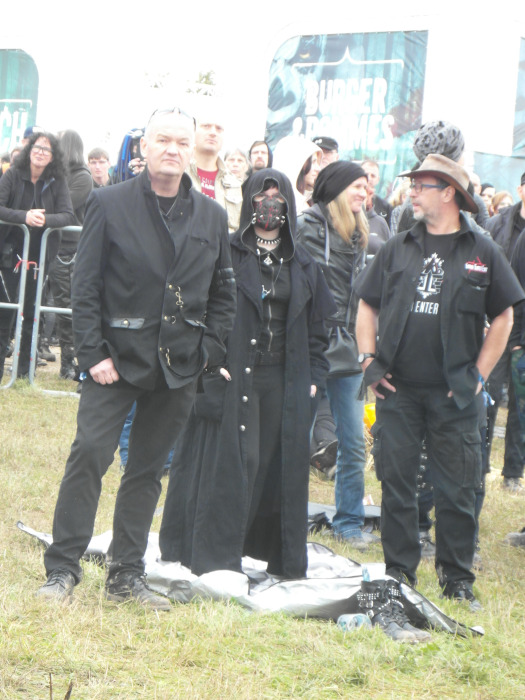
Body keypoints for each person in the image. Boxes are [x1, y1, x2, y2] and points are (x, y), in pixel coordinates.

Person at [35, 109, 236, 608]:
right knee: (89, 456)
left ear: (193, 150)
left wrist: (207, 353)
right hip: (114, 362)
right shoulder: (109, 202)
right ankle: (62, 569)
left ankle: (126, 575)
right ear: (144, 147)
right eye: (162, 139)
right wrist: (92, 354)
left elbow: (223, 294)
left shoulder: (212, 216)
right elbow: (84, 285)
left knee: (147, 470)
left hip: (178, 366)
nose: (172, 149)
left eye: (181, 142)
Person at [355, 154, 524, 610]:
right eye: (412, 185)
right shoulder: (397, 246)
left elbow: (505, 315)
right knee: (397, 483)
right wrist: (368, 359)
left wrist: (479, 375)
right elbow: (367, 303)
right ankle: (399, 572)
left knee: (458, 488)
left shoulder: (482, 249)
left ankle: (456, 579)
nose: (411, 192)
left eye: (421, 185)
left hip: (456, 393)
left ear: (448, 192)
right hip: (399, 388)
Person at [159, 168, 334, 578]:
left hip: (284, 378)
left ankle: (257, 550)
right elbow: (198, 308)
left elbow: (317, 329)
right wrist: (207, 361)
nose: (269, 204)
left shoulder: (303, 263)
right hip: (233, 373)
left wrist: (314, 377)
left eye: (278, 197)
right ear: (249, 200)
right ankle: (216, 555)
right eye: (261, 196)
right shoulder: (228, 252)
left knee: (273, 466)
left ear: (290, 205)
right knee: (240, 460)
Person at [297, 161, 378, 550]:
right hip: (309, 347)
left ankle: (348, 522)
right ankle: (287, 515)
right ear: (335, 191)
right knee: (296, 436)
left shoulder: (363, 235)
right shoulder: (304, 228)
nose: (364, 192)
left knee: (354, 440)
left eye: (366, 186)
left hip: (349, 350)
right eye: (356, 186)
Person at [0, 131, 74, 380]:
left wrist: (44, 220)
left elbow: (67, 215)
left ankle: (24, 371)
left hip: (42, 255)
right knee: (5, 311)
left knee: (32, 313)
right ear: (29, 150)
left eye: (46, 149)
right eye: (37, 148)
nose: (41, 153)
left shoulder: (57, 180)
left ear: (53, 156)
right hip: (10, 253)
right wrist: (24, 216)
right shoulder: (12, 174)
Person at [486, 173, 525, 493]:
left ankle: (512, 471)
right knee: (488, 395)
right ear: (521, 189)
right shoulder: (499, 224)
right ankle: (479, 461)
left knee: (519, 405)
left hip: (521, 331)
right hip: (498, 322)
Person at [48, 129, 93, 380]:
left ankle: (75, 361)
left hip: (72, 248)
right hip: (56, 246)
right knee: (61, 305)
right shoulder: (57, 175)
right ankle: (67, 362)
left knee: (73, 306)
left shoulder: (83, 177)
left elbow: (62, 206)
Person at [187, 105, 243, 232]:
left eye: (219, 129)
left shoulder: (236, 184)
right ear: (193, 131)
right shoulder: (178, 175)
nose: (213, 133)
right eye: (206, 126)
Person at [272, 135, 322, 214]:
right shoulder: (283, 207)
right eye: (313, 162)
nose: (318, 168)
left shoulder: (312, 202)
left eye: (318, 162)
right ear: (297, 164)